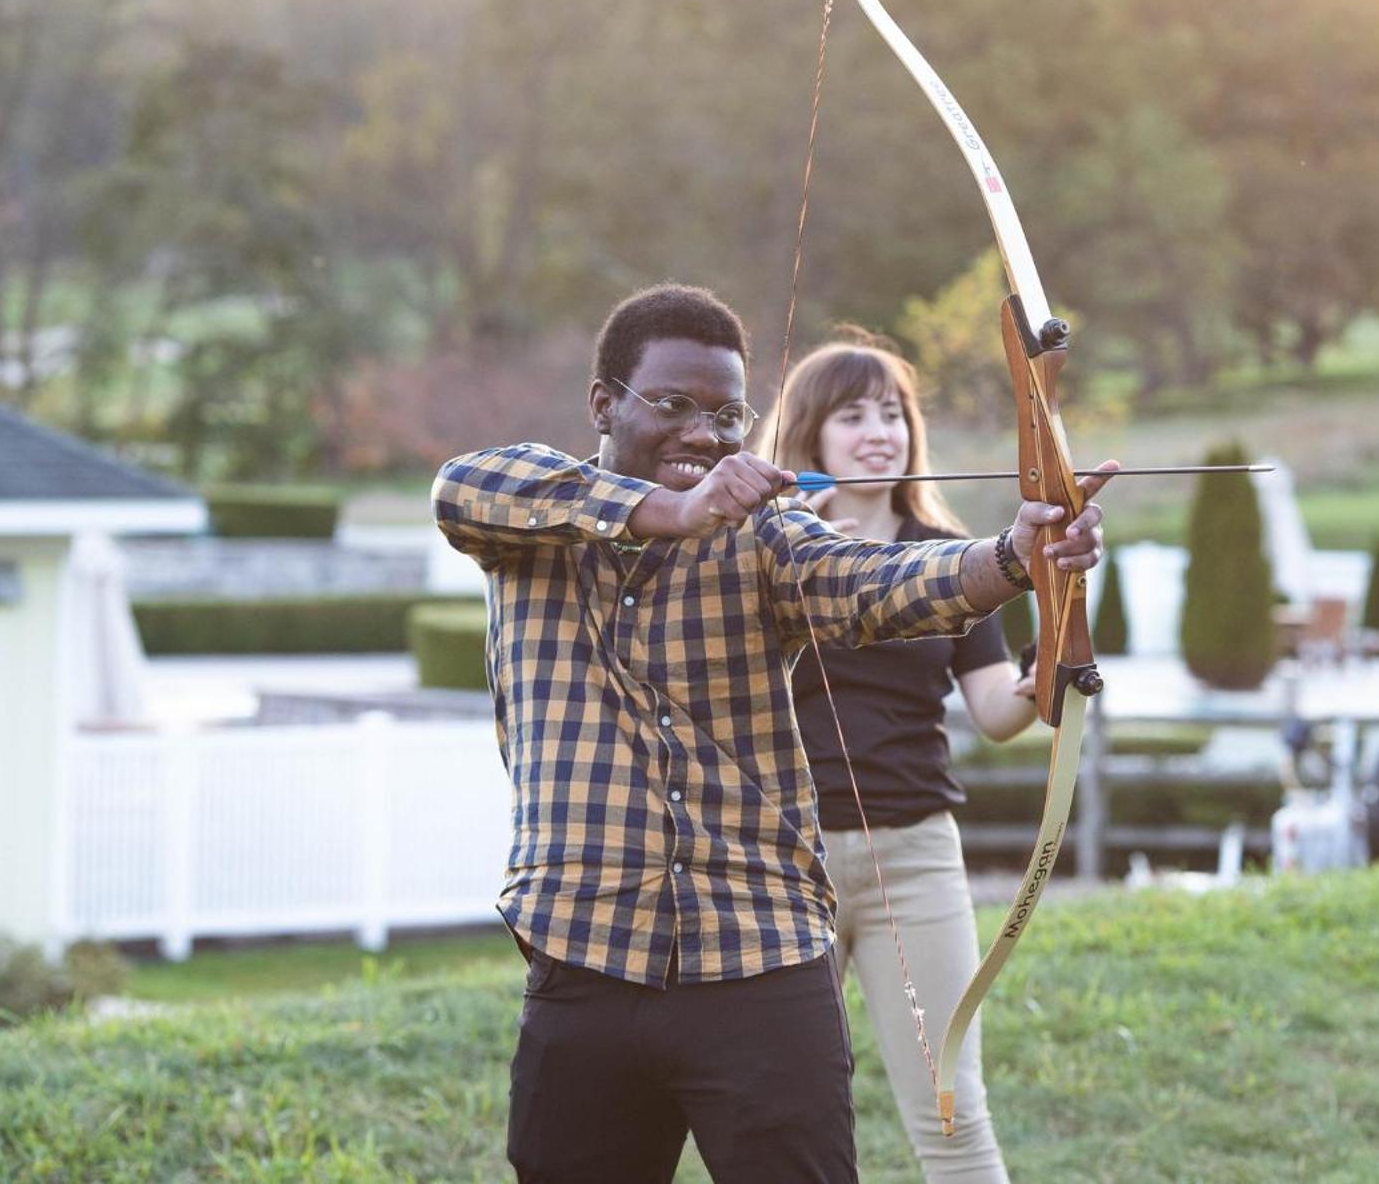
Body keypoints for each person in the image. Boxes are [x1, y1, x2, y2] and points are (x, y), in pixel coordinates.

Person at [430, 283, 1110, 1183]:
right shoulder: (531, 517)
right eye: (672, 405)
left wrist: (1013, 558)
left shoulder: (768, 534)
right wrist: (671, 511)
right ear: (603, 403)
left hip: (761, 959)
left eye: (727, 415)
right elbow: (459, 486)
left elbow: (876, 582)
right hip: (587, 956)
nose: (704, 434)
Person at [768, 340, 1032, 1182]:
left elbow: (995, 712)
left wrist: (1047, 678)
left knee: (951, 1112)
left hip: (913, 857)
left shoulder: (955, 556)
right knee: (779, 1120)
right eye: (853, 415)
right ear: (810, 434)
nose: (879, 432)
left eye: (893, 413)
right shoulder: (763, 548)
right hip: (780, 861)